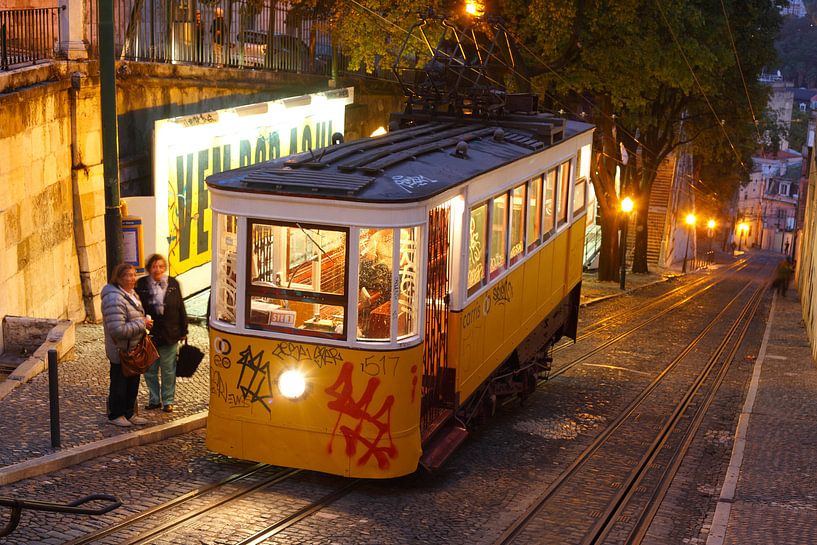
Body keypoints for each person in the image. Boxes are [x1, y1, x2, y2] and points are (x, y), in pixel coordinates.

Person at [102, 263, 154, 427]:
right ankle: (116, 414)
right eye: (128, 275)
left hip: (134, 347)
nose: (133, 278)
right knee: (119, 381)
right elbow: (117, 329)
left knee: (132, 380)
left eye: (134, 275)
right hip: (121, 349)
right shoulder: (114, 298)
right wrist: (142, 324)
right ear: (119, 278)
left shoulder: (131, 294)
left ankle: (129, 412)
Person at [136, 254, 188, 413]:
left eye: (160, 266)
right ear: (149, 269)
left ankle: (168, 401)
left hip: (170, 333)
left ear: (164, 268)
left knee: (168, 369)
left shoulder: (172, 283)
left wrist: (183, 330)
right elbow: (137, 307)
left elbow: (180, 307)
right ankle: (154, 399)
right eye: (154, 266)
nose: (157, 269)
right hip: (149, 334)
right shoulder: (142, 284)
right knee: (150, 369)